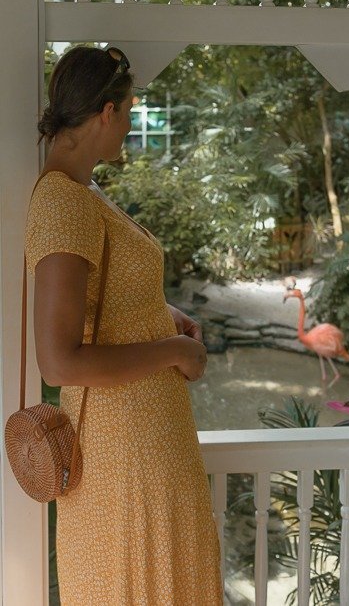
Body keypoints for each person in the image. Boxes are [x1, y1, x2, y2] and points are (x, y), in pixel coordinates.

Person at [25, 46, 223, 605]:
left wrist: (164, 314)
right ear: (106, 111)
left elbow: (107, 305)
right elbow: (59, 360)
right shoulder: (64, 203)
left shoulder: (82, 193)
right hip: (123, 452)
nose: (131, 126)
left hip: (144, 445)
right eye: (131, 111)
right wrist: (171, 352)